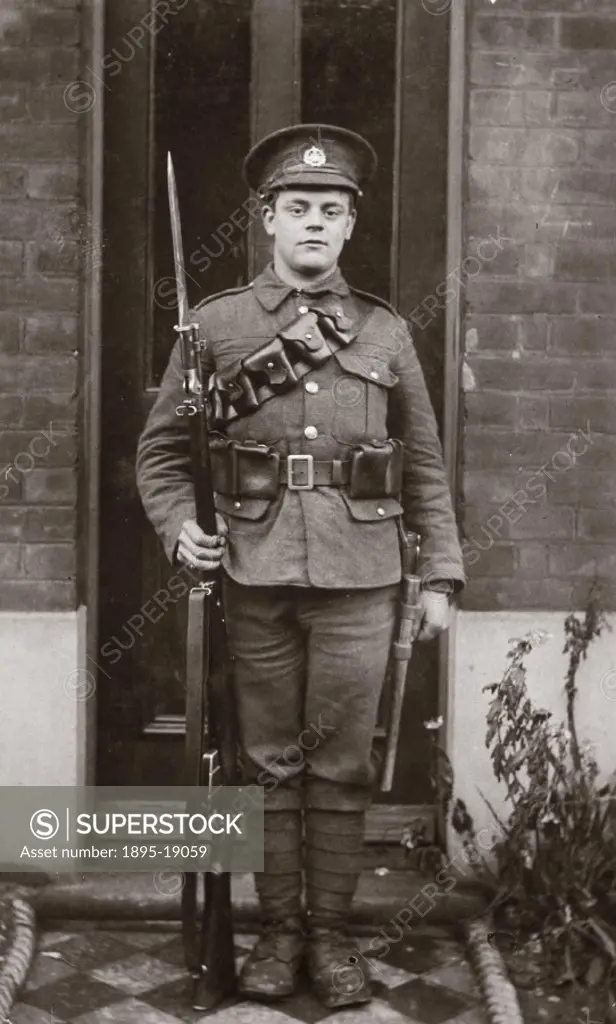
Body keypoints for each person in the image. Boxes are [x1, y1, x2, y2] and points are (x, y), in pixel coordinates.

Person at [136, 123, 465, 1009]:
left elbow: (425, 462)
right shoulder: (215, 326)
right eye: (297, 208)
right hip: (253, 571)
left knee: (345, 765)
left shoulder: (386, 332)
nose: (314, 222)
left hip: (362, 576)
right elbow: (161, 455)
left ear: (351, 225)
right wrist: (178, 531)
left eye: (330, 209)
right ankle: (278, 936)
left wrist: (438, 576)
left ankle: (334, 938)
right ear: (268, 220)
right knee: (267, 763)